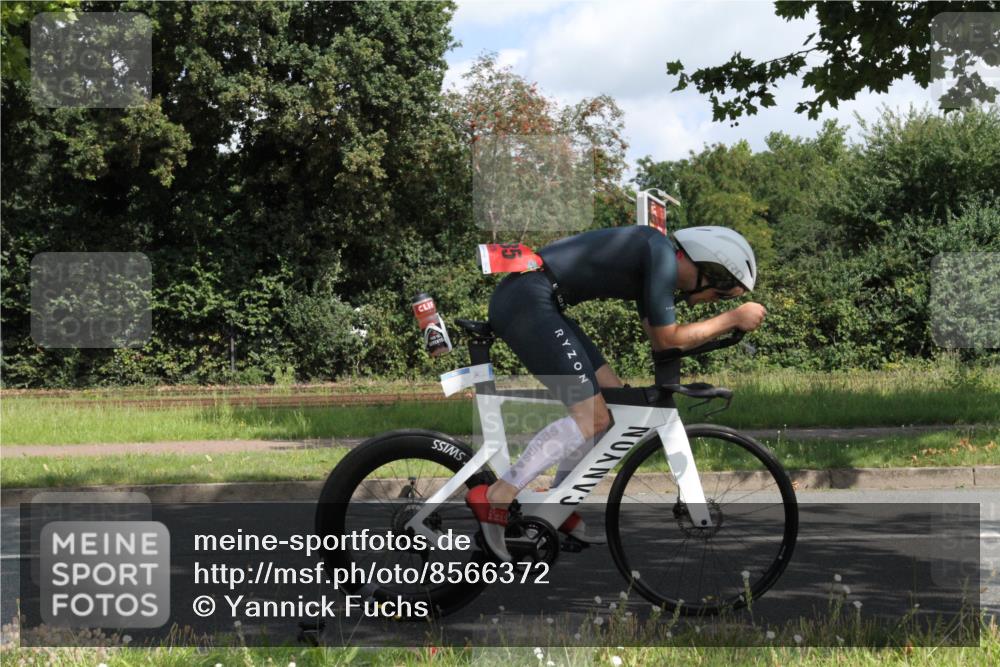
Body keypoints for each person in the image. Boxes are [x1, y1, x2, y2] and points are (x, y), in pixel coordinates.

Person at [465, 225, 766, 561]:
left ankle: (555, 503)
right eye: (721, 295)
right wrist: (732, 318)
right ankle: (500, 493)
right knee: (591, 417)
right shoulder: (661, 256)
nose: (714, 301)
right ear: (712, 272)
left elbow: (660, 340)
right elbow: (669, 339)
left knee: (613, 408)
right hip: (528, 300)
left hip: (539, 300)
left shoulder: (656, 261)